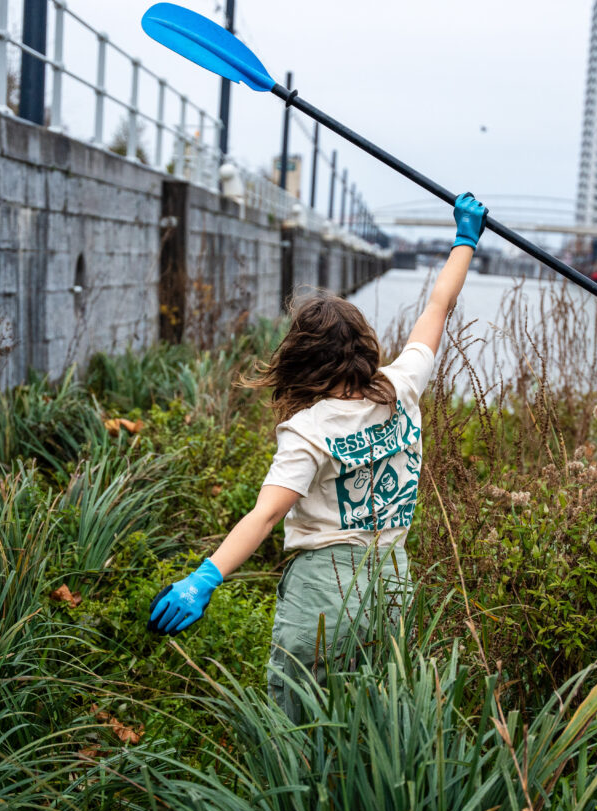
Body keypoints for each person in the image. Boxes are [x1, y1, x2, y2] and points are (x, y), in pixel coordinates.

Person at [147, 193, 488, 722]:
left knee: (296, 722)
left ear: (304, 359)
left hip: (324, 590)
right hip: (393, 584)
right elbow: (438, 306)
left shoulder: (308, 430)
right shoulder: (403, 386)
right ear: (365, 347)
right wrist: (465, 239)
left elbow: (265, 515)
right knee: (369, 716)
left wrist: (204, 578)